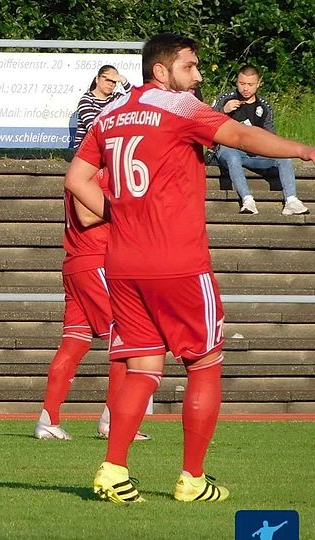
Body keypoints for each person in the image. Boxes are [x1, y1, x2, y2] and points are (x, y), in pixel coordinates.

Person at [65, 32, 315, 504]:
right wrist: (303, 150)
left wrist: (122, 214)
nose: (198, 76)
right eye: (190, 66)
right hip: (177, 261)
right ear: (161, 71)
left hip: (123, 262)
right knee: (204, 363)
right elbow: (240, 135)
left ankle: (113, 470)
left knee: (141, 367)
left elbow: (76, 178)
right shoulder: (179, 106)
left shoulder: (110, 114)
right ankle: (192, 479)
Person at [34, 169, 149, 442]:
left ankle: (48, 420)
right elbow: (86, 215)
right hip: (94, 260)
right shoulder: (93, 170)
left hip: (80, 262)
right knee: (128, 339)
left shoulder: (94, 169)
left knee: (74, 343)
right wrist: (129, 204)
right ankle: (114, 421)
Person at [212, 65, 309, 215]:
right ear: (236, 81)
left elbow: (270, 137)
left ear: (258, 83)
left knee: (283, 158)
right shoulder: (226, 99)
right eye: (242, 83)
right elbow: (207, 124)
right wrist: (223, 111)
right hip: (229, 151)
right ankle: (247, 199)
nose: (245, 88)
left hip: (254, 153)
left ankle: (291, 200)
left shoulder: (264, 106)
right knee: (232, 155)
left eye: (250, 84)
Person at [72, 65, 131, 149]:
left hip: (110, 147)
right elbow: (95, 129)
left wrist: (123, 80)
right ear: (97, 79)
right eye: (107, 79)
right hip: (86, 150)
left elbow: (137, 102)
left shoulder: (117, 98)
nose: (110, 83)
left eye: (114, 81)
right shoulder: (86, 100)